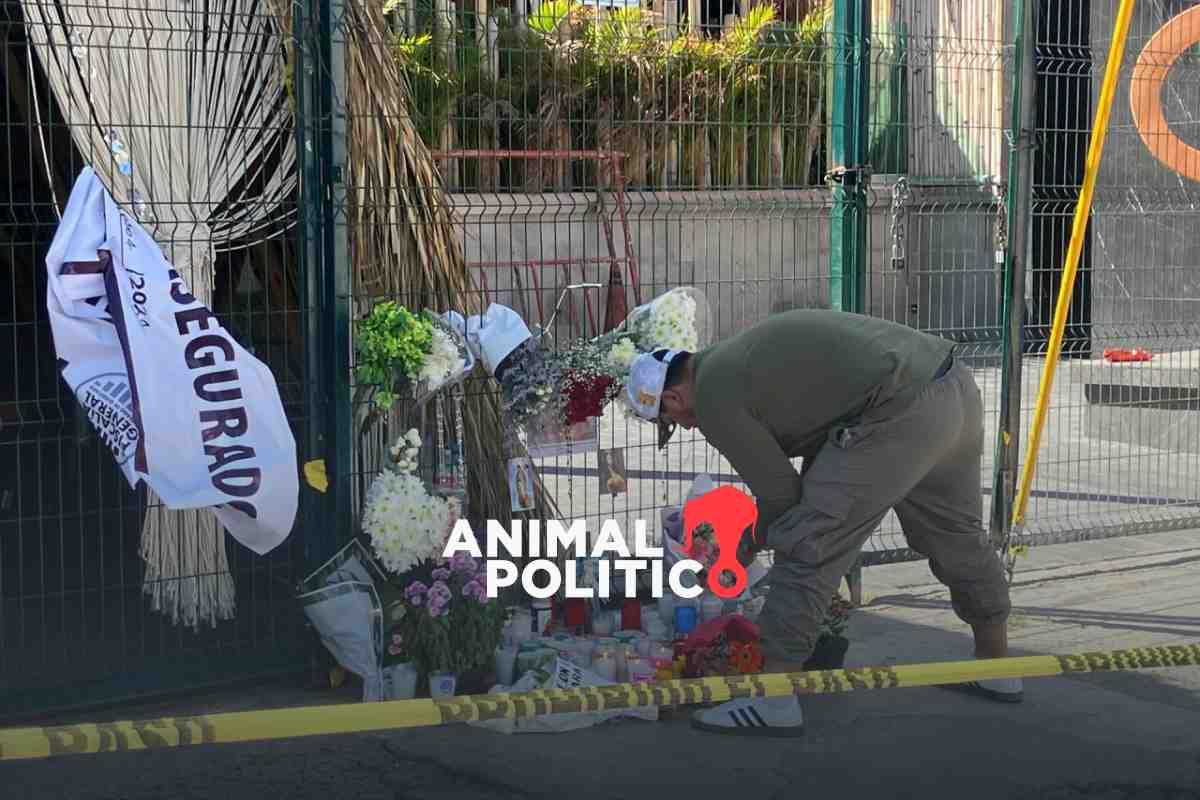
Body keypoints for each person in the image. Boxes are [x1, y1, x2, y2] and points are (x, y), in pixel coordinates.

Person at [625, 308, 1018, 737]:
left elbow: (782, 498)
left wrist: (742, 548)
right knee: (954, 535)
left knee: (808, 542)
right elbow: (822, 437)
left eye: (672, 423)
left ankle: (773, 700)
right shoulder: (732, 360)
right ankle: (997, 665)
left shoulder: (714, 396)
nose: (685, 426)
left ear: (672, 399)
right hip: (950, 385)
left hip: (897, 410)